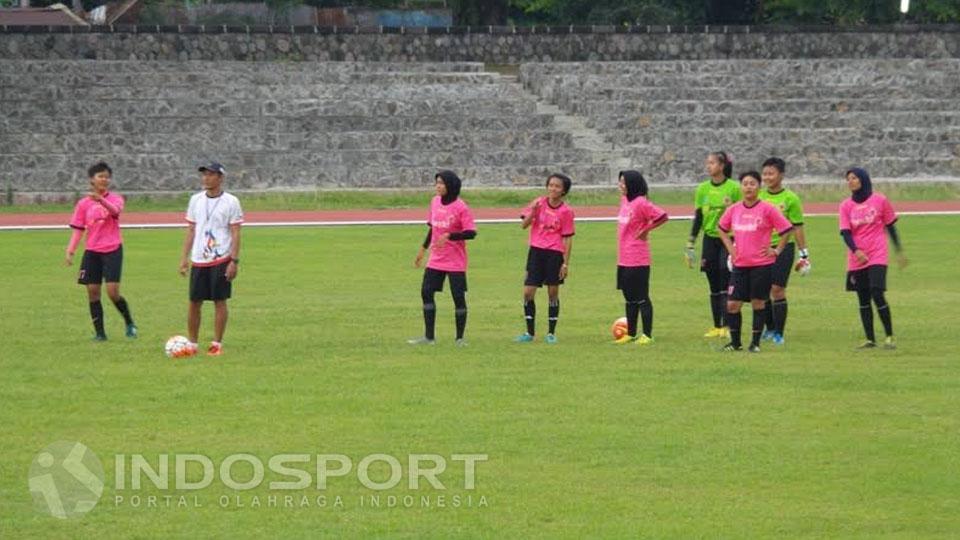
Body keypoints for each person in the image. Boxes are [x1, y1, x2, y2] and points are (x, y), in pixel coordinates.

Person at [717, 171, 794, 353]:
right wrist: (731, 249)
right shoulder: (734, 209)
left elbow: (786, 229)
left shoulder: (767, 209)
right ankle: (735, 343)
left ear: (759, 187)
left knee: (758, 302)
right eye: (745, 184)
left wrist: (776, 251)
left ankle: (755, 343)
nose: (748, 187)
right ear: (741, 187)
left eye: (752, 184)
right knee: (732, 304)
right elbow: (721, 229)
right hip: (740, 265)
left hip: (761, 264)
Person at [65, 161, 137, 341]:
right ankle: (100, 334)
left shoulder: (115, 198)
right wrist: (71, 249)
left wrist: (101, 200)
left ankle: (129, 322)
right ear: (92, 180)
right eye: (100, 176)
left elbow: (115, 212)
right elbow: (78, 229)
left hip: (112, 249)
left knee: (112, 292)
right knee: (93, 292)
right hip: (92, 252)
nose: (104, 180)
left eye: (107, 177)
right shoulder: (83, 204)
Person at [178, 162, 243, 357]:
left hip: (221, 258)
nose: (206, 178)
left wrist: (234, 260)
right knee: (194, 302)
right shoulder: (195, 200)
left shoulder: (231, 201)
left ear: (220, 178)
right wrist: (184, 258)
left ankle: (216, 343)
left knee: (219, 301)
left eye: (211, 175)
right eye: (204, 175)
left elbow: (236, 232)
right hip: (199, 259)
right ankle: (193, 343)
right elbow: (191, 230)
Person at [839, 168, 907, 350]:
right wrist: (856, 251)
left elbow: (891, 227)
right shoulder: (846, 206)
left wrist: (899, 251)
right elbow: (845, 233)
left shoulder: (880, 200)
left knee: (877, 292)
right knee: (863, 298)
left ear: (863, 179)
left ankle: (889, 336)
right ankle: (870, 340)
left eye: (854, 178)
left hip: (877, 253)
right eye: (848, 179)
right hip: (857, 258)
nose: (851, 181)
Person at [409, 171, 477, 346]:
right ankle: (429, 337)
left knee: (458, 297)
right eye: (437, 182)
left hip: (455, 261)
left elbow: (471, 233)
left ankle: (460, 338)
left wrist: (450, 236)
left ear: (451, 186)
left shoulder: (461, 207)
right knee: (426, 292)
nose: (438, 186)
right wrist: (422, 250)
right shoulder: (434, 202)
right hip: (436, 259)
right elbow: (433, 229)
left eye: (442, 183)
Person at [685, 151, 741, 338]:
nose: (708, 166)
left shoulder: (734, 188)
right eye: (707, 163)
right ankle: (716, 325)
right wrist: (691, 243)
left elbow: (740, 214)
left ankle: (727, 325)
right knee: (713, 283)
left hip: (728, 239)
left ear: (722, 165)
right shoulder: (702, 189)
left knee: (726, 281)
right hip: (709, 240)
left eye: (712, 163)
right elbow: (699, 217)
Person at [515, 174, 575, 344]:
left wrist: (565, 263)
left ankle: (551, 333)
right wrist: (533, 212)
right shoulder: (538, 203)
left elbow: (567, 238)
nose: (553, 189)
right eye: (551, 185)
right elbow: (523, 225)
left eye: (557, 186)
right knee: (528, 292)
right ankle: (529, 332)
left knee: (553, 293)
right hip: (535, 252)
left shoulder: (566, 211)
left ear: (563, 191)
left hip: (554, 254)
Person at [758, 157, 809, 345]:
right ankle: (769, 328)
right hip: (761, 248)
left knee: (777, 290)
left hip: (783, 248)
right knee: (762, 291)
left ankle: (779, 332)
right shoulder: (759, 197)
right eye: (765, 174)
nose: (767, 177)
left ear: (781, 175)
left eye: (771, 173)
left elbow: (797, 227)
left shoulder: (791, 199)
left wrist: (804, 254)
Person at [614, 170, 668, 345]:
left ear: (632, 184)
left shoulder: (641, 203)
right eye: (620, 182)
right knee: (629, 297)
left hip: (637, 257)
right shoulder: (625, 201)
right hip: (623, 257)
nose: (620, 185)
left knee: (642, 296)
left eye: (623, 182)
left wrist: (646, 230)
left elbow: (662, 216)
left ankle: (647, 334)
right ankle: (631, 334)